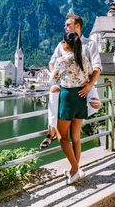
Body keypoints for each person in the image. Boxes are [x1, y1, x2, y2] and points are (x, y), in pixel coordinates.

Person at [40, 15, 101, 149]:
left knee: (96, 105)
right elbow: (52, 63)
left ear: (77, 26)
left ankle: (69, 117)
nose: (64, 27)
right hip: (66, 84)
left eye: (67, 24)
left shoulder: (90, 44)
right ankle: (51, 130)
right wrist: (58, 78)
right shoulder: (62, 44)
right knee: (53, 91)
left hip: (85, 85)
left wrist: (90, 85)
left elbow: (97, 67)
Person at [49, 31, 92, 184]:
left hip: (67, 98)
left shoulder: (62, 60)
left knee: (62, 137)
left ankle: (75, 170)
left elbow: (52, 78)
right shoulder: (84, 59)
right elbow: (88, 78)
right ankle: (74, 170)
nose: (62, 43)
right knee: (76, 138)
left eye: (63, 41)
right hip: (81, 98)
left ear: (67, 44)